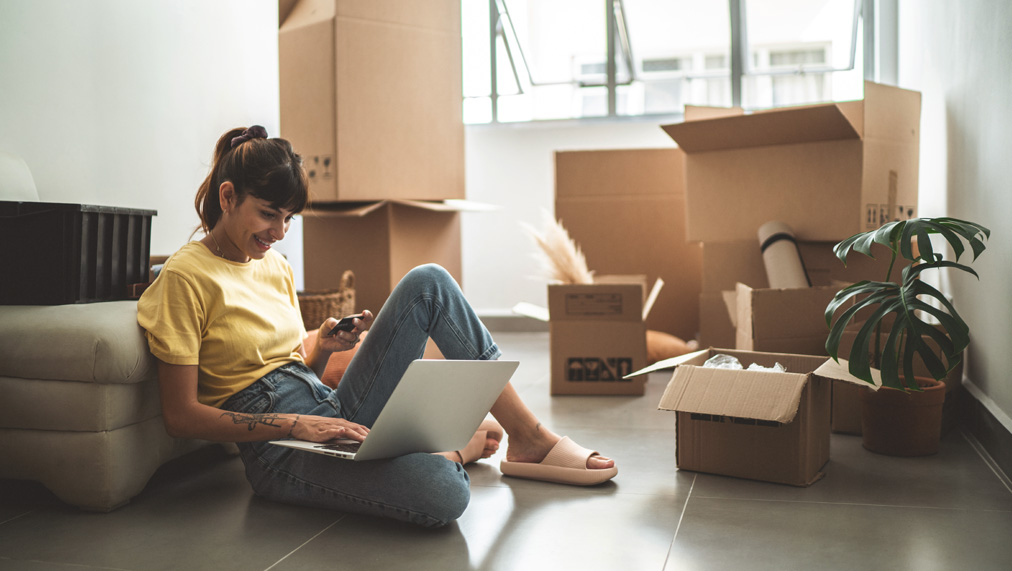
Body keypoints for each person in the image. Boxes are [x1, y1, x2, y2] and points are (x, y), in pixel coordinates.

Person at [137, 125, 617, 527]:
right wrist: (297, 425)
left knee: (428, 282)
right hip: (277, 451)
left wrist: (323, 347)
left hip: (326, 408)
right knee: (444, 494)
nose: (279, 233)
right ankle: (450, 449)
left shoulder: (273, 265)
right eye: (268, 214)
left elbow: (285, 362)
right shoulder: (184, 279)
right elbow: (181, 415)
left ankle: (530, 438)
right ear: (228, 196)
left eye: (288, 218)